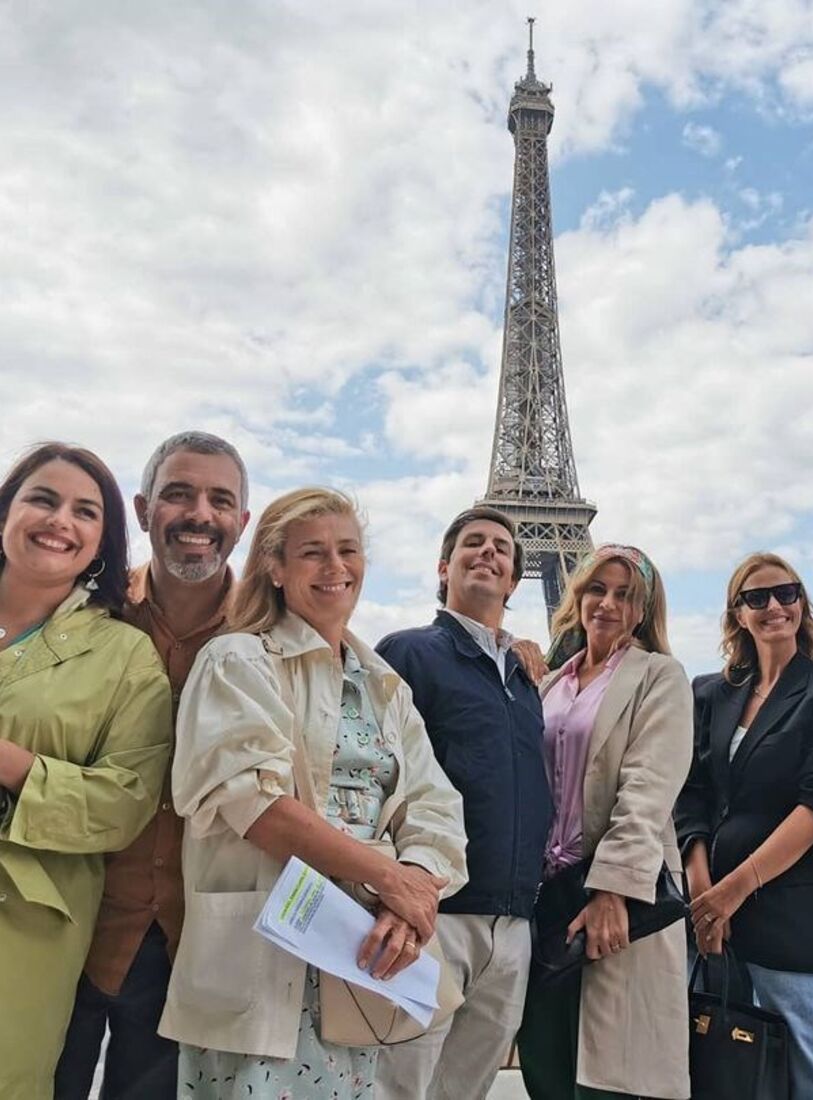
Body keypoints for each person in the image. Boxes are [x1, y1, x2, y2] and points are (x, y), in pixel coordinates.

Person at [159, 487, 467, 1099]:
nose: (335, 568)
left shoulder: (386, 688)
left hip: (360, 952)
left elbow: (437, 809)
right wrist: (393, 881)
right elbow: (257, 807)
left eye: (348, 551)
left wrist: (410, 892)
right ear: (273, 567)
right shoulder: (237, 662)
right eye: (312, 553)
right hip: (265, 953)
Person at [56, 430, 250, 1100]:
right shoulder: (80, 615)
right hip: (65, 918)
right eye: (178, 494)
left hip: (191, 939)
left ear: (243, 523)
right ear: (141, 511)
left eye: (220, 499)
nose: (200, 513)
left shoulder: (269, 636)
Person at [0, 442, 172, 1098]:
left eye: (84, 511)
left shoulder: (126, 657)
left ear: (102, 542)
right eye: (42, 499)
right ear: (5, 515)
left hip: (22, 927)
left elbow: (124, 803)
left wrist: (12, 765)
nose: (59, 520)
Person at [374, 506, 553, 1100]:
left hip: (514, 920)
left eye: (502, 548)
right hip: (433, 914)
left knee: (464, 1092)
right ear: (444, 567)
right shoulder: (407, 653)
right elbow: (379, 773)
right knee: (399, 1085)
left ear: (513, 580)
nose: (489, 552)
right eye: (473, 543)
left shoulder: (526, 676)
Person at [677, 552, 813, 1098]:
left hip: (784, 905)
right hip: (708, 913)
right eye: (756, 598)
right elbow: (691, 794)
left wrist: (731, 893)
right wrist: (701, 894)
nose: (774, 607)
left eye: (785, 593)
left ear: (802, 602)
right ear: (738, 614)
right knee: (722, 1071)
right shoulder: (709, 692)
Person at [517, 543, 694, 1100]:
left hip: (611, 894)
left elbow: (649, 789)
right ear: (578, 597)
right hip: (544, 899)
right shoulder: (548, 683)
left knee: (611, 1075)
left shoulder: (659, 676)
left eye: (625, 595)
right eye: (597, 589)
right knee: (549, 1061)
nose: (608, 604)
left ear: (643, 610)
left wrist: (613, 889)